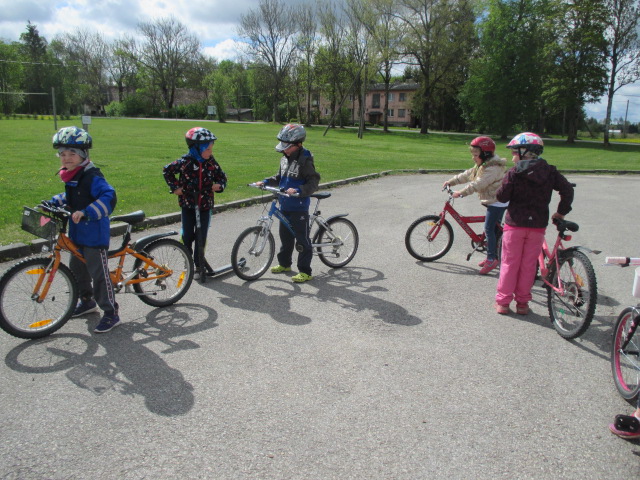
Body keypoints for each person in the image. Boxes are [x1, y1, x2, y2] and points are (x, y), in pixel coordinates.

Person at [494, 132, 574, 315]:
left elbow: (502, 197)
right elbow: (567, 190)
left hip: (515, 224)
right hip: (537, 225)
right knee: (529, 265)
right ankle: (522, 303)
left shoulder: (514, 172)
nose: (513, 157)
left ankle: (503, 302)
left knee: (509, 264)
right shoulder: (549, 171)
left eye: (515, 152)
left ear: (524, 152)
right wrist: (561, 212)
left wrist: (505, 185)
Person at [49, 126, 119, 333]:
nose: (66, 158)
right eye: (63, 154)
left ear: (83, 155)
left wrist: (86, 212)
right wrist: (53, 202)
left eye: (72, 154)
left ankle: (111, 312)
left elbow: (109, 197)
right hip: (78, 234)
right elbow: (73, 197)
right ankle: (87, 301)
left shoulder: (92, 176)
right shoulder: (73, 175)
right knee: (77, 270)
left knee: (99, 274)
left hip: (94, 235)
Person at [254, 124, 320, 283]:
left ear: (298, 144)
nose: (285, 150)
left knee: (302, 240)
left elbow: (313, 182)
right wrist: (265, 182)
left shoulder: (305, 160)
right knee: (286, 238)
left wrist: (298, 190)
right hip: (285, 204)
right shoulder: (285, 158)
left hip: (298, 207)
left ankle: (305, 271)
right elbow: (279, 177)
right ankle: (285, 264)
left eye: (287, 146)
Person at [163, 127, 227, 278]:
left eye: (211, 148)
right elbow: (167, 171)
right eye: (208, 149)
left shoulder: (211, 162)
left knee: (201, 235)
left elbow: (222, 177)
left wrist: (219, 186)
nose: (210, 152)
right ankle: (188, 260)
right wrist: (175, 187)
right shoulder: (184, 162)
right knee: (187, 235)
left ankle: (199, 264)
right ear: (197, 148)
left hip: (205, 205)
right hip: (188, 204)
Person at [443, 136, 508, 274]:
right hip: (492, 200)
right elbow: (468, 175)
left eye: (476, 155)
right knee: (493, 229)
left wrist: (461, 193)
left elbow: (478, 184)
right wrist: (451, 182)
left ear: (485, 154)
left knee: (489, 229)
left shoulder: (493, 168)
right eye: (472, 154)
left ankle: (491, 259)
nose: (473, 158)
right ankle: (493, 254)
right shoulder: (483, 165)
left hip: (497, 201)